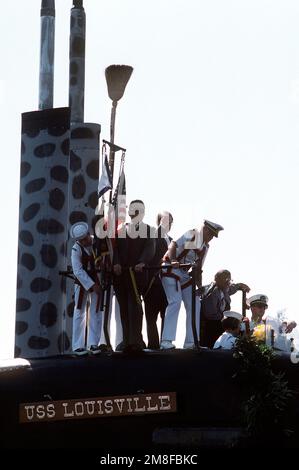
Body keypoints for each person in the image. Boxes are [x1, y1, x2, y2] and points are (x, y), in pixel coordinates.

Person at [160, 220, 224, 350]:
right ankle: (166, 341)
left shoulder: (205, 247)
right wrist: (173, 260)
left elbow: (198, 267)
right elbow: (173, 245)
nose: (211, 238)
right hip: (170, 268)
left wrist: (199, 287)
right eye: (210, 234)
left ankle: (191, 342)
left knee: (195, 303)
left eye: (213, 236)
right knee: (175, 301)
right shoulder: (192, 234)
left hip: (183, 274)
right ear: (205, 230)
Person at [113, 200, 155, 352]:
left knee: (135, 308)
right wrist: (116, 263)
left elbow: (150, 249)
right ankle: (126, 341)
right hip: (121, 275)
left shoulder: (149, 230)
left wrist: (142, 262)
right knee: (123, 308)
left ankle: (136, 341)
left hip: (136, 275)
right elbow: (115, 249)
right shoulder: (120, 230)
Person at [70, 221, 102, 356]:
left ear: (89, 234)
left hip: (98, 281)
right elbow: (78, 270)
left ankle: (93, 343)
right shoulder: (76, 249)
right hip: (82, 283)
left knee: (96, 311)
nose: (84, 242)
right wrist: (91, 284)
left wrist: (98, 284)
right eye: (81, 241)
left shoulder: (98, 244)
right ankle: (78, 346)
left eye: (85, 239)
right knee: (79, 312)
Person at [144, 211, 173, 349]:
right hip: (153, 282)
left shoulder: (171, 240)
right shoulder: (153, 235)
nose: (169, 224)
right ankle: (153, 345)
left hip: (167, 284)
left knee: (166, 316)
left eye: (171, 221)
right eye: (167, 221)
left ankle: (164, 343)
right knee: (151, 317)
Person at [200, 269, 250, 348]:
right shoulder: (211, 293)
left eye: (230, 280)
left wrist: (240, 285)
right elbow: (210, 315)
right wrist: (229, 319)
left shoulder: (224, 288)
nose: (228, 283)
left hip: (219, 324)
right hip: (210, 327)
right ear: (218, 280)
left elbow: (231, 289)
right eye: (226, 280)